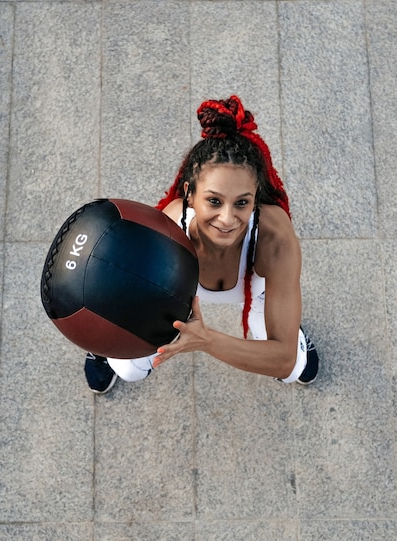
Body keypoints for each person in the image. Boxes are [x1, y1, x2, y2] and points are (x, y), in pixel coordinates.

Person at [84, 95, 319, 393]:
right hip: (178, 294)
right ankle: (103, 352)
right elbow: (129, 285)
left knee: (294, 365)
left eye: (242, 202)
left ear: (256, 197)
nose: (227, 218)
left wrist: (206, 341)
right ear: (189, 195)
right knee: (128, 367)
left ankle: (288, 324)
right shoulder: (169, 229)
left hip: (256, 292)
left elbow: (282, 359)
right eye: (214, 201)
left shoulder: (274, 237)